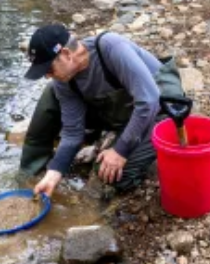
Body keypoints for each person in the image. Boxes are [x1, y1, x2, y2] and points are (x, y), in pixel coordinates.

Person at [20, 24, 186, 197]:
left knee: (112, 177)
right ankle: (35, 169)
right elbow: (72, 132)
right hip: (125, 112)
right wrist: (53, 174)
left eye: (48, 69)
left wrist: (120, 150)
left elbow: (149, 101)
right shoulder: (63, 80)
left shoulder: (111, 47)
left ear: (66, 55)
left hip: (163, 110)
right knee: (51, 91)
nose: (47, 75)